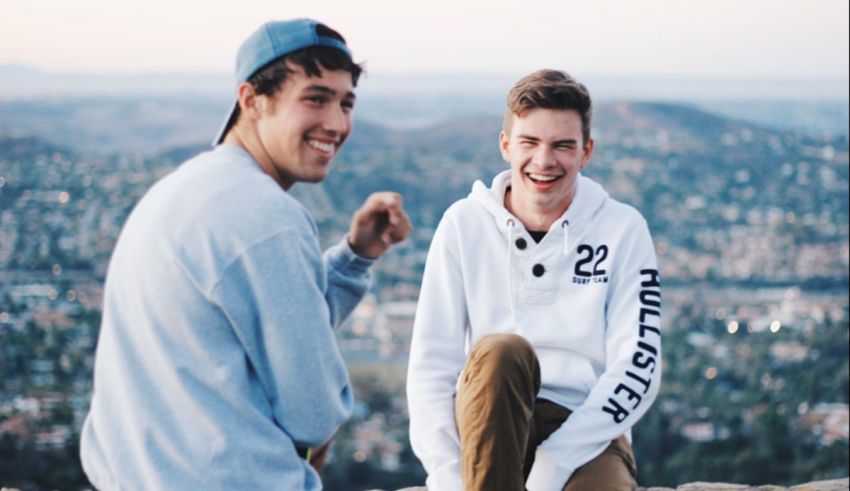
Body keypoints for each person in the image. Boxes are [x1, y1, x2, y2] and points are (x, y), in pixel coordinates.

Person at [80, 18, 411, 490]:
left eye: (346, 103)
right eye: (315, 98)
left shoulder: (180, 190)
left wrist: (354, 258)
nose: (337, 123)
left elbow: (268, 324)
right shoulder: (266, 216)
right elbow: (315, 413)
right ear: (252, 101)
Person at [406, 69, 661, 491]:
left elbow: (639, 364)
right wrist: (447, 476)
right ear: (506, 145)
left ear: (586, 152)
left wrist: (555, 462)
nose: (544, 161)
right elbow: (431, 366)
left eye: (563, 145)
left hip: (587, 428)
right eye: (530, 142)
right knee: (504, 350)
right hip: (491, 414)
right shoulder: (463, 224)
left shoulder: (623, 228)